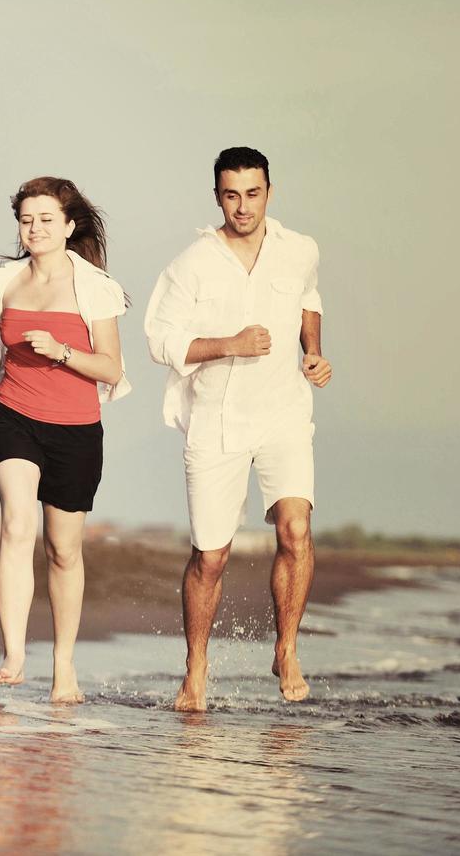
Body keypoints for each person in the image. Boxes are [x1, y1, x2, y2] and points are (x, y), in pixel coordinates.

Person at [144, 146, 333, 711]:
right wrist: (229, 343)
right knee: (211, 556)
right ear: (217, 196)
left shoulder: (300, 250)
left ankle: (287, 648)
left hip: (284, 412)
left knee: (295, 530)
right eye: (232, 195)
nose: (243, 206)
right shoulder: (191, 264)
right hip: (216, 419)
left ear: (269, 192)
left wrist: (314, 352)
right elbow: (162, 342)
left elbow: (308, 298)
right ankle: (196, 669)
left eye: (253, 194)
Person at [0, 178, 129, 704]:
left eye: (46, 219)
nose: (35, 228)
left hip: (75, 429)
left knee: (63, 551)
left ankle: (64, 667)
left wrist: (62, 352)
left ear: (69, 226)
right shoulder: (6, 281)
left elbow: (112, 369)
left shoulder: (95, 288)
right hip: (14, 415)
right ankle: (15, 655)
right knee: (17, 524)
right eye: (27, 220)